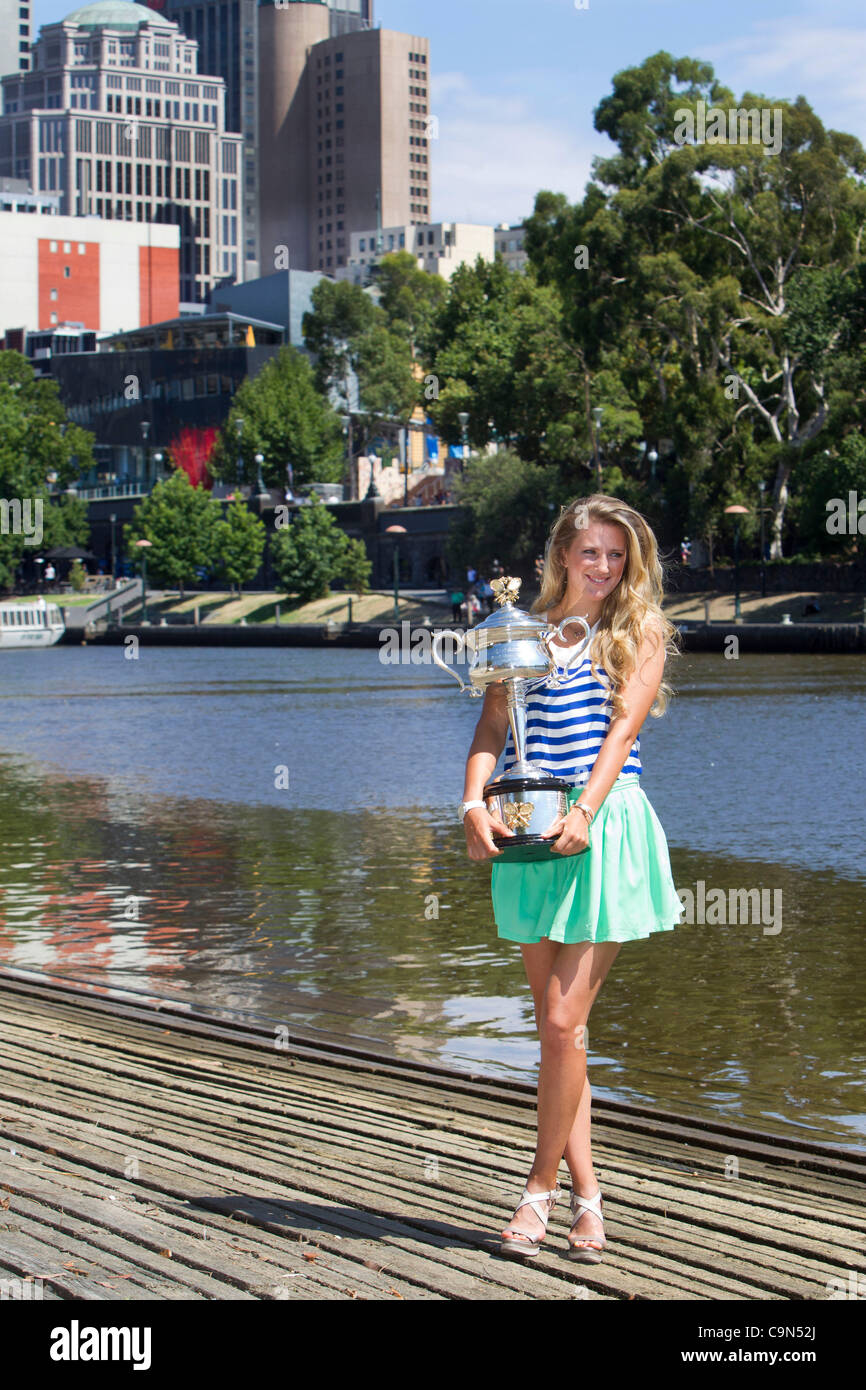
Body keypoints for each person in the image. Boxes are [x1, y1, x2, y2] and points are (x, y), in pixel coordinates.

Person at [459, 494, 683, 1263]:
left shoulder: (639, 631)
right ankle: (591, 1203)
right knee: (563, 1039)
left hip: (601, 825)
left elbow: (621, 732)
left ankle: (537, 1191)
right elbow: (493, 727)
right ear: (562, 554)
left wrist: (585, 811)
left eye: (616, 555)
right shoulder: (521, 632)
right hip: (525, 827)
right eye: (590, 552)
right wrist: (470, 803)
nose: (604, 567)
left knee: (560, 1024)